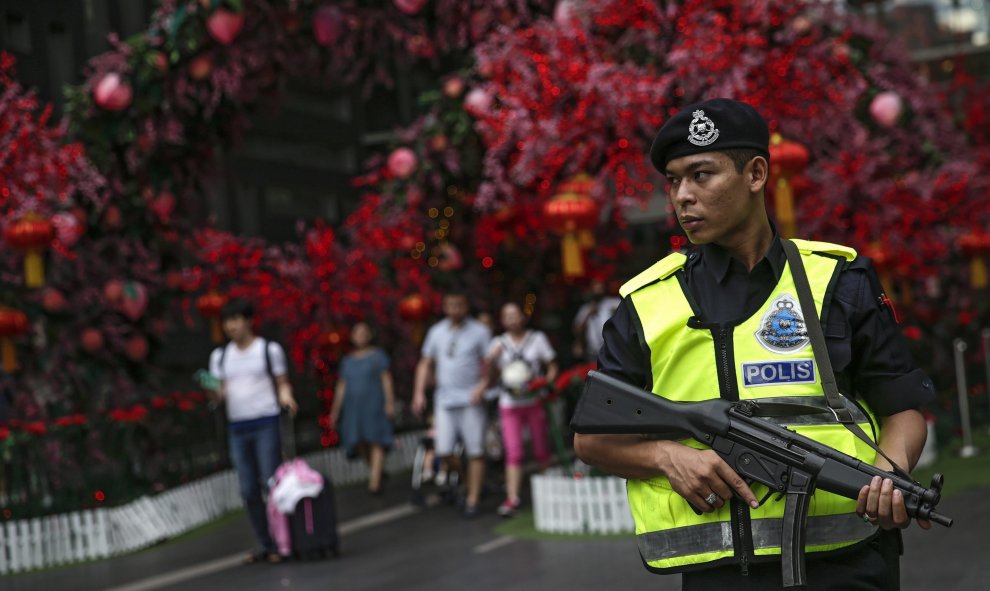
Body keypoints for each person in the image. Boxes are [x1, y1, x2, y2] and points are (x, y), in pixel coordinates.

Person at [573, 98, 934, 590]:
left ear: (757, 174)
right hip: (719, 578)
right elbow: (591, 439)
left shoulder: (837, 281)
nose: (683, 196)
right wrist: (666, 456)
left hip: (850, 563)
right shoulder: (647, 304)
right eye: (674, 181)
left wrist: (889, 475)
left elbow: (903, 408)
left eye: (701, 175)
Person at [209, 298, 298, 565]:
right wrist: (213, 390)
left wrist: (287, 398)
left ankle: (283, 540)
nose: (232, 326)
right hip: (238, 426)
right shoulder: (220, 356)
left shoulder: (268, 350)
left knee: (270, 483)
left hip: (266, 422)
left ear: (249, 321)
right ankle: (264, 541)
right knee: (248, 489)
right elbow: (219, 393)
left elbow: (282, 382)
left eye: (236, 320)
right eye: (227, 322)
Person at [412, 289, 492, 517]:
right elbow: (425, 363)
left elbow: (490, 365)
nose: (455, 309)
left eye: (459, 304)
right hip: (444, 401)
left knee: (476, 451)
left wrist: (483, 387)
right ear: (445, 307)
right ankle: (469, 482)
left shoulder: (480, 331)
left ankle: (473, 501)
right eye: (451, 304)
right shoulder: (436, 332)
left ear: (466, 305)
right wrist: (418, 393)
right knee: (444, 451)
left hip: (471, 399)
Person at [484, 302, 558, 517]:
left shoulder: (537, 339)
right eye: (507, 316)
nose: (512, 320)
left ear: (522, 317)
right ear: (502, 320)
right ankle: (512, 497)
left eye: (515, 315)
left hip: (534, 401)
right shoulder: (497, 343)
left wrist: (547, 383)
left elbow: (552, 365)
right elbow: (490, 380)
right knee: (513, 451)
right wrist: (491, 360)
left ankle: (548, 493)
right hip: (509, 404)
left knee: (540, 448)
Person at [329, 322, 395, 495]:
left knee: (376, 439)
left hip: (373, 404)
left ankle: (374, 484)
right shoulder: (347, 361)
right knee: (358, 441)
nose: (361, 336)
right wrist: (335, 411)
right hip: (354, 408)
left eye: (364, 332)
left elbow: (386, 379)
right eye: (357, 333)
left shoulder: (377, 356)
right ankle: (378, 470)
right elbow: (341, 386)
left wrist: (389, 402)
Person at [571, 278, 620, 361]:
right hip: (592, 352)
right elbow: (577, 330)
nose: (598, 289)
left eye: (600, 287)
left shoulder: (612, 303)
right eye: (596, 287)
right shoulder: (586, 308)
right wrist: (588, 315)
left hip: (611, 349)